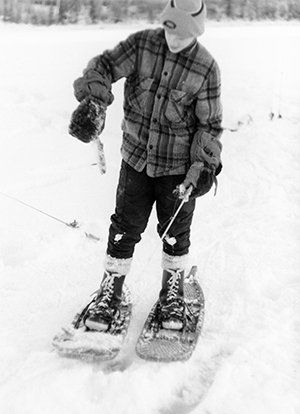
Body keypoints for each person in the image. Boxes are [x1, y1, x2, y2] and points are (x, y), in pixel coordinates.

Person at [71, 0, 223, 333]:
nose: (175, 39)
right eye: (171, 29)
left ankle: (172, 293)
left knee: (174, 235)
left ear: (196, 32)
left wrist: (202, 169)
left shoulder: (205, 68)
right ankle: (109, 293)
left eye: (184, 34)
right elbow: (104, 66)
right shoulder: (142, 46)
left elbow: (209, 126)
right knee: (124, 228)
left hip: (178, 170)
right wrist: (95, 99)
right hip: (136, 160)